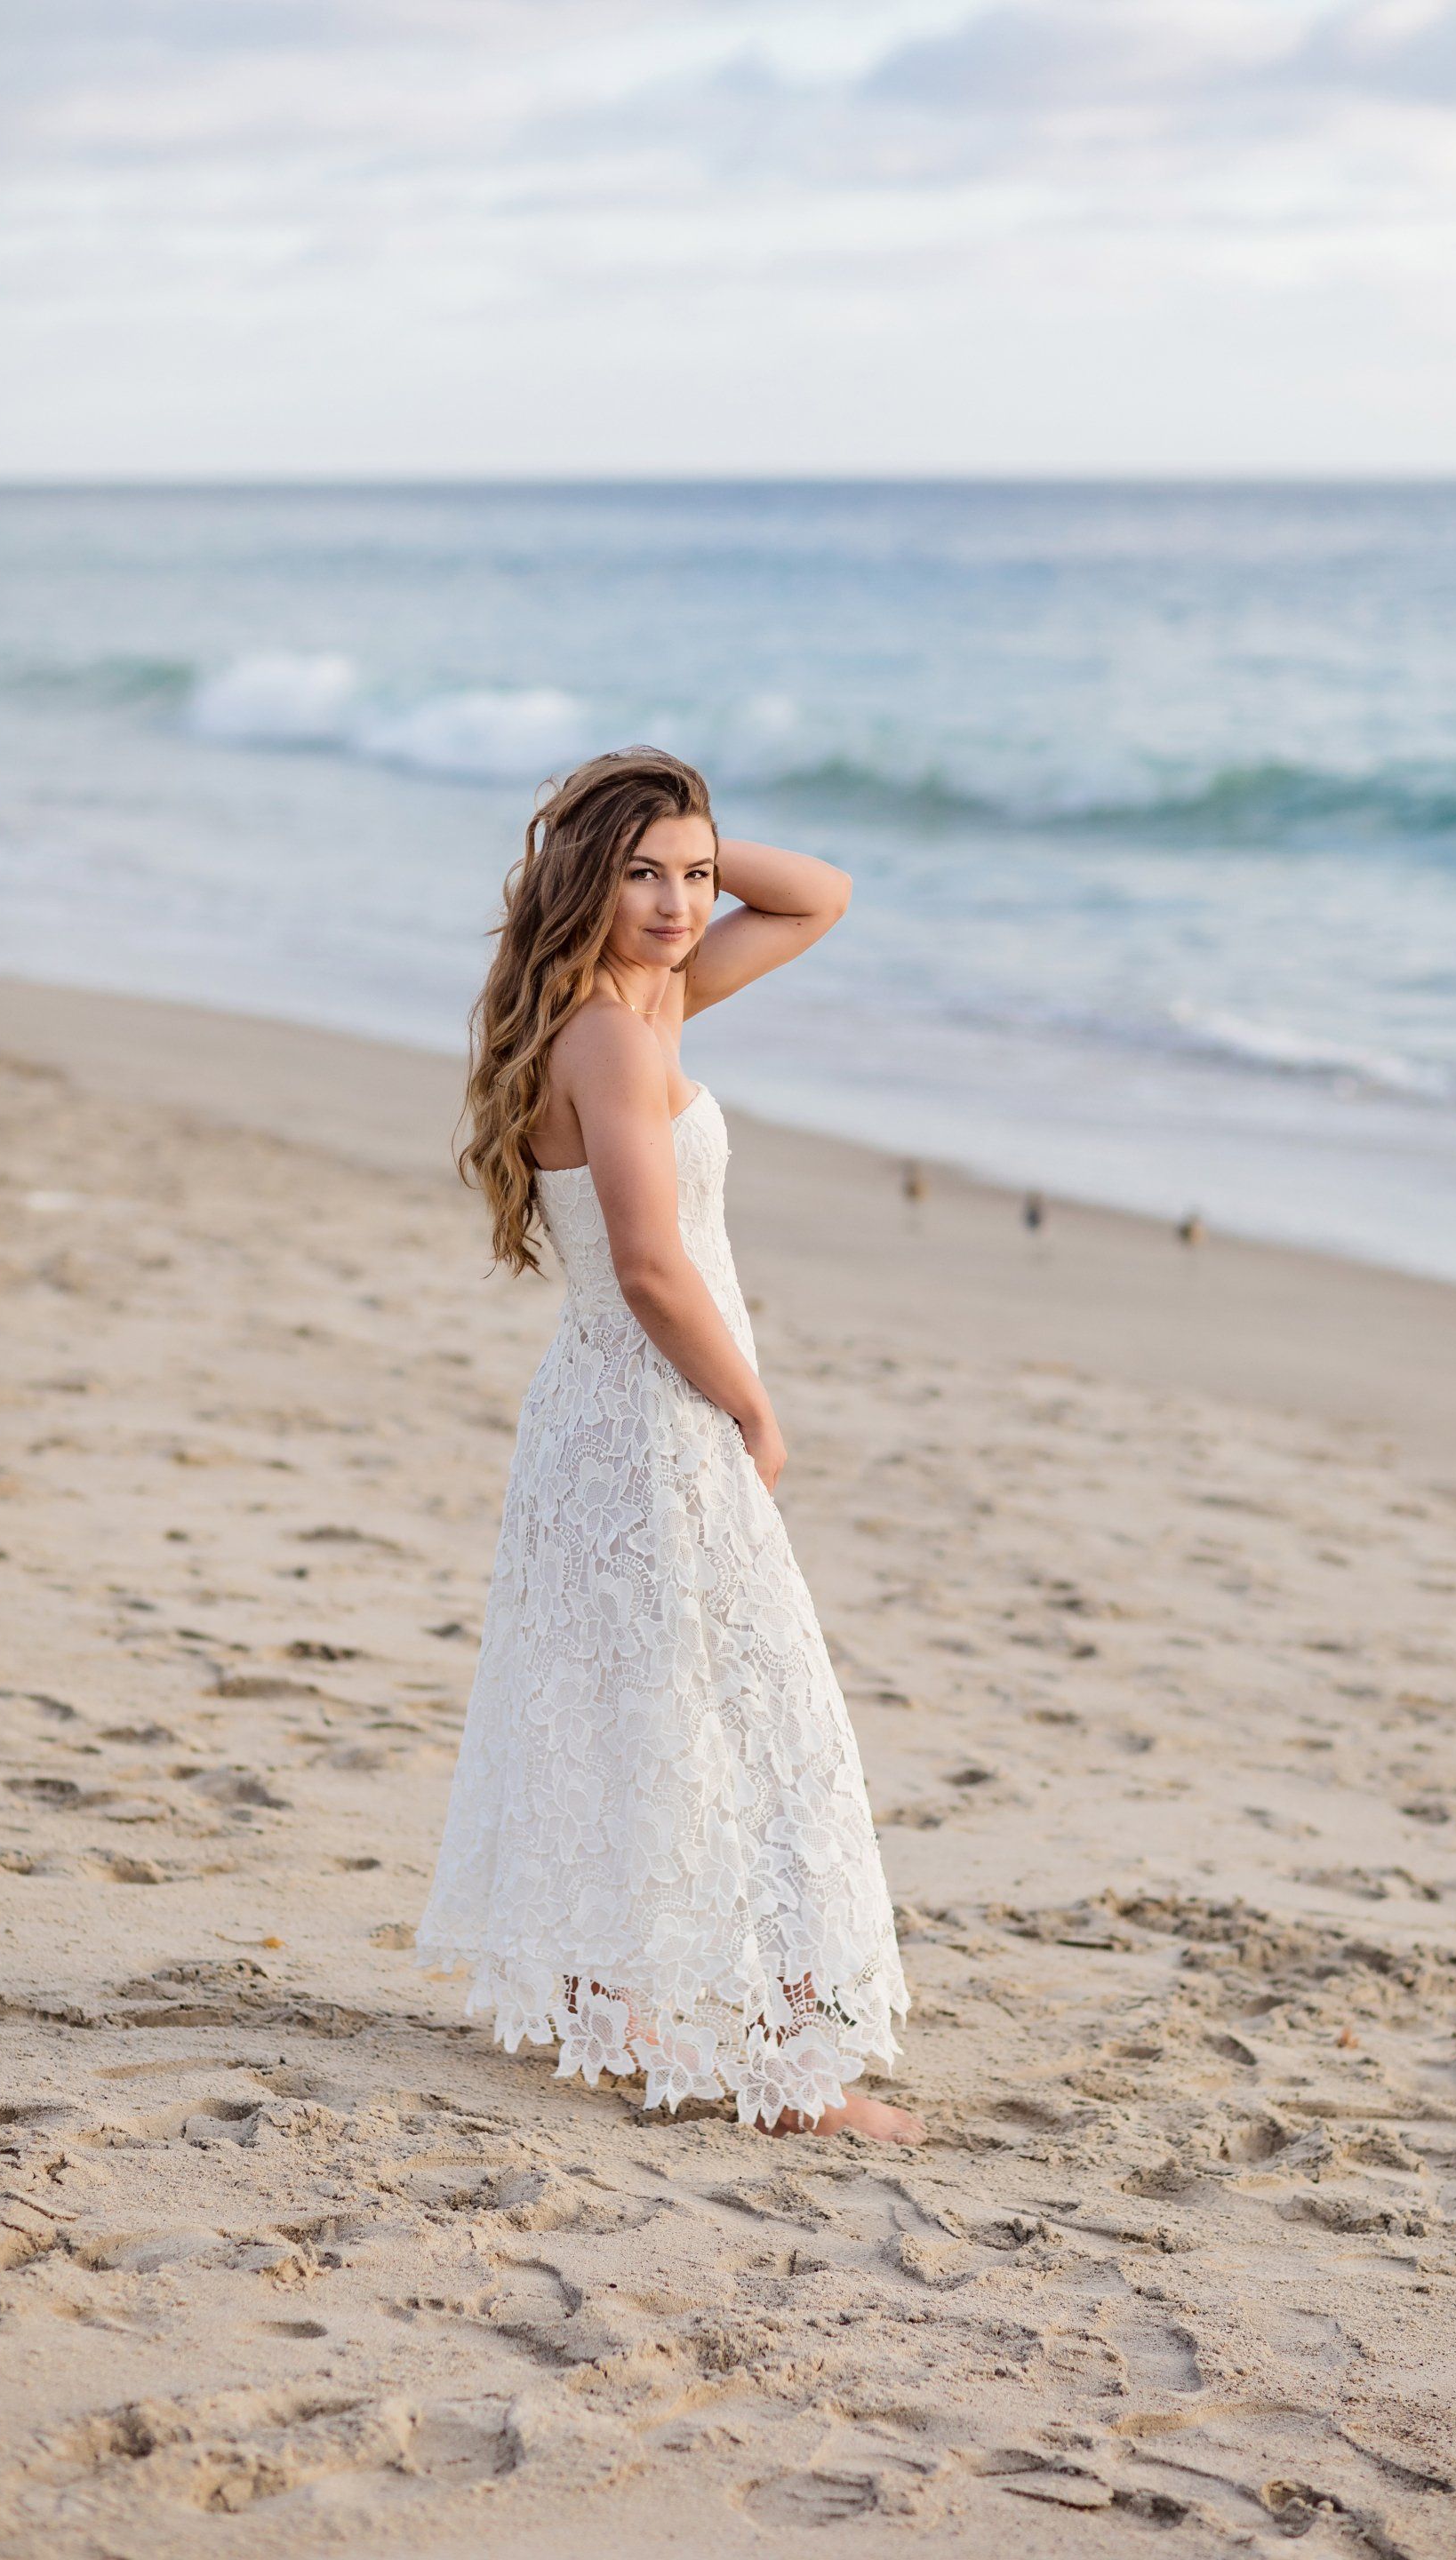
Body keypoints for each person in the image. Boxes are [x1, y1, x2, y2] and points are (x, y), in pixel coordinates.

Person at [414, 746, 922, 2143]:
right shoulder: (616, 1038)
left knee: (625, 1720)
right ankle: (789, 2074)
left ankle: (614, 2008)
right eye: (642, 876)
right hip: (653, 1418)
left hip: (600, 1412)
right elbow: (647, 1266)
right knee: (754, 1727)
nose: (681, 904)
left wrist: (676, 843)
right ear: (585, 879)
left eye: (696, 876)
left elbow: (820, 897)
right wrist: (753, 1405)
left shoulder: (645, 1001)